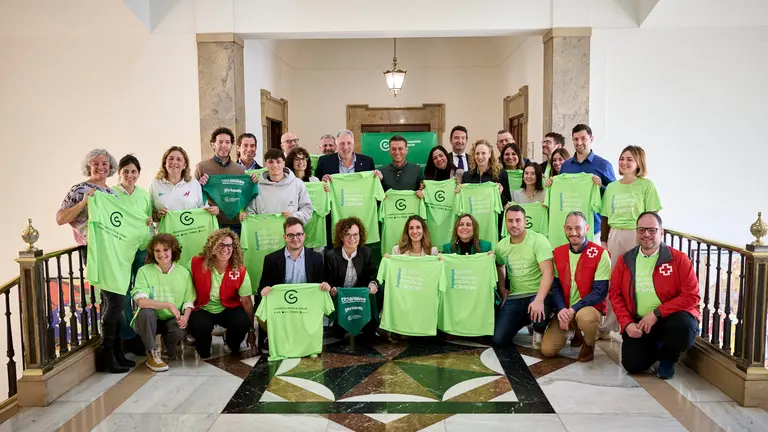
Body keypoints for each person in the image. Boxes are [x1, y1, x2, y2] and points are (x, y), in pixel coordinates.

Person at [609, 212, 700, 379]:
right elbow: (615, 294)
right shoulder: (625, 260)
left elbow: (692, 296)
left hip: (671, 319)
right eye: (642, 230)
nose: (646, 235)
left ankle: (669, 357)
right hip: (640, 322)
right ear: (636, 232)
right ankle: (657, 346)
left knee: (683, 327)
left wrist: (657, 313)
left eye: (652, 230)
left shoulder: (679, 259)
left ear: (661, 232)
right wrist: (627, 323)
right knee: (633, 365)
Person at [598, 146, 662, 339]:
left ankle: (636, 323)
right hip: (616, 235)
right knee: (615, 281)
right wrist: (603, 241)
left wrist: (651, 239)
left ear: (638, 164)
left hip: (639, 235)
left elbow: (653, 215)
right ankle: (609, 324)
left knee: (638, 280)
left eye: (629, 159)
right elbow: (605, 217)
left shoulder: (646, 186)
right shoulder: (612, 188)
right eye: (622, 158)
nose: (624, 162)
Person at [541, 211, 610, 362]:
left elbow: (600, 292)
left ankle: (589, 343)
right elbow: (556, 288)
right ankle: (575, 332)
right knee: (547, 350)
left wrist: (573, 309)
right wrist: (561, 310)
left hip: (587, 308)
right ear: (564, 229)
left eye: (578, 228)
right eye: (569, 228)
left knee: (587, 318)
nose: (573, 233)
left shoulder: (600, 254)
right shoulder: (558, 253)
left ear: (587, 228)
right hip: (566, 309)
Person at [259, 218, 331, 351]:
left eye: (298, 234)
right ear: (284, 237)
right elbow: (262, 287)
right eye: (291, 235)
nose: (295, 238)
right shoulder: (271, 259)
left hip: (306, 307)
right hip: (282, 308)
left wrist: (325, 286)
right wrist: (265, 290)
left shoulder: (316, 258)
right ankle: (269, 336)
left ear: (304, 235)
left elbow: (321, 283)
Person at [131, 234, 195, 372]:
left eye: (165, 250)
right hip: (150, 320)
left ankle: (168, 345)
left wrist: (185, 318)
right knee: (146, 313)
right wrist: (169, 305)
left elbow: (188, 301)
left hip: (172, 319)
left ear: (173, 251)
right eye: (157, 250)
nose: (161, 254)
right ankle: (152, 353)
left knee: (179, 332)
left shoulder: (183, 273)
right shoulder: (144, 271)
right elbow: (141, 302)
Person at [492, 205, 554, 348]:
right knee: (498, 340)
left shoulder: (538, 240)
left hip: (537, 293)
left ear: (525, 221)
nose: (514, 224)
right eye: (510, 221)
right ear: (505, 222)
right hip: (516, 296)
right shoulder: (501, 246)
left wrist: (538, 300)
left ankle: (542, 324)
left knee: (540, 313)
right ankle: (526, 318)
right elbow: (499, 265)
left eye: (518, 220)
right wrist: (502, 287)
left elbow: (548, 273)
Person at [188, 229, 255, 359]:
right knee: (203, 350)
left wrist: (251, 330)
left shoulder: (239, 270)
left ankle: (230, 342)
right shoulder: (196, 263)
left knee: (241, 322)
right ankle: (203, 345)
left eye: (229, 245)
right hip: (203, 307)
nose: (225, 249)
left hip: (228, 307)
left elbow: (246, 302)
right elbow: (184, 291)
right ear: (212, 246)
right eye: (221, 245)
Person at [112, 154, 154, 354]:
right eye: (126, 171)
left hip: (141, 248)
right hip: (120, 251)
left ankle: (142, 332)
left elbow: (148, 218)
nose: (130, 175)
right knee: (121, 293)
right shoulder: (110, 194)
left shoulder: (144, 195)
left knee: (141, 290)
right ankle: (128, 335)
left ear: (139, 174)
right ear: (119, 173)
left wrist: (149, 223)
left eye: (134, 172)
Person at [324, 218, 381, 336]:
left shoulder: (366, 253)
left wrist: (372, 284)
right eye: (348, 235)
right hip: (340, 298)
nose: (352, 238)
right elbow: (327, 281)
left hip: (359, 298)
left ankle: (372, 324)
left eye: (355, 234)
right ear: (341, 236)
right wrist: (331, 289)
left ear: (360, 236)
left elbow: (372, 276)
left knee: (379, 291)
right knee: (338, 333)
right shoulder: (331, 255)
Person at [558, 124, 616, 236]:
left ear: (591, 139)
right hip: (571, 228)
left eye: (583, 138)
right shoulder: (566, 166)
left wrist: (601, 186)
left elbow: (614, 195)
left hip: (595, 227)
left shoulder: (604, 165)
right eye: (575, 139)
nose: (579, 142)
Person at [195, 127, 252, 234]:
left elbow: (243, 195)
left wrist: (252, 183)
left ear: (231, 145)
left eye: (227, 142)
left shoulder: (239, 169)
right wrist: (199, 185)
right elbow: (193, 195)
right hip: (212, 222)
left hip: (236, 223)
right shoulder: (201, 167)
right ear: (213, 144)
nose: (224, 146)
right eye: (220, 142)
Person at [56, 148, 119, 245]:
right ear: (89, 167)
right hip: (91, 249)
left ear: (110, 166)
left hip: (113, 247)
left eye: (104, 163)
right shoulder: (79, 189)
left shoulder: (113, 194)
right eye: (95, 164)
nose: (101, 167)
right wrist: (83, 202)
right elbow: (60, 219)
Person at [241, 149, 313, 224]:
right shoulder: (257, 187)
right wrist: (246, 216)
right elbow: (250, 211)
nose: (275, 165)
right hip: (265, 233)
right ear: (266, 164)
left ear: (283, 163)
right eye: (271, 162)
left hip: (291, 232)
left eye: (278, 162)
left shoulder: (297, 184)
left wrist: (294, 216)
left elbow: (307, 210)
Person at [149, 146, 214, 221]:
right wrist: (157, 216)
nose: (174, 162)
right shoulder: (154, 184)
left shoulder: (194, 184)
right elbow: (148, 213)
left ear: (184, 165)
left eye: (179, 159)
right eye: (171, 158)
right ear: (164, 163)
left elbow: (203, 210)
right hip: (164, 232)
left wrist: (213, 210)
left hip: (190, 231)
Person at [461, 139, 512, 207]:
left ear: (489, 154)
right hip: (472, 216)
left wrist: (499, 194)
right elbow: (463, 201)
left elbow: (507, 203)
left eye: (483, 153)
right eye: (477, 153)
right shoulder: (467, 176)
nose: (480, 156)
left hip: (493, 216)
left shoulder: (501, 174)